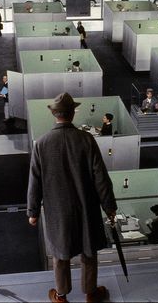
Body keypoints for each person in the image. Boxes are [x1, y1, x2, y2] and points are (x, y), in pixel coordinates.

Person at [27, 92, 117, 303]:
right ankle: (91, 293)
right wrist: (110, 207)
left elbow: (35, 182)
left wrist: (32, 212)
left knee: (61, 254)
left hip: (57, 211)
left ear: (54, 114)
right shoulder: (86, 140)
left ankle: (61, 296)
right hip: (86, 207)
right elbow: (101, 178)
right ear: (72, 114)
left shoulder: (41, 143)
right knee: (89, 252)